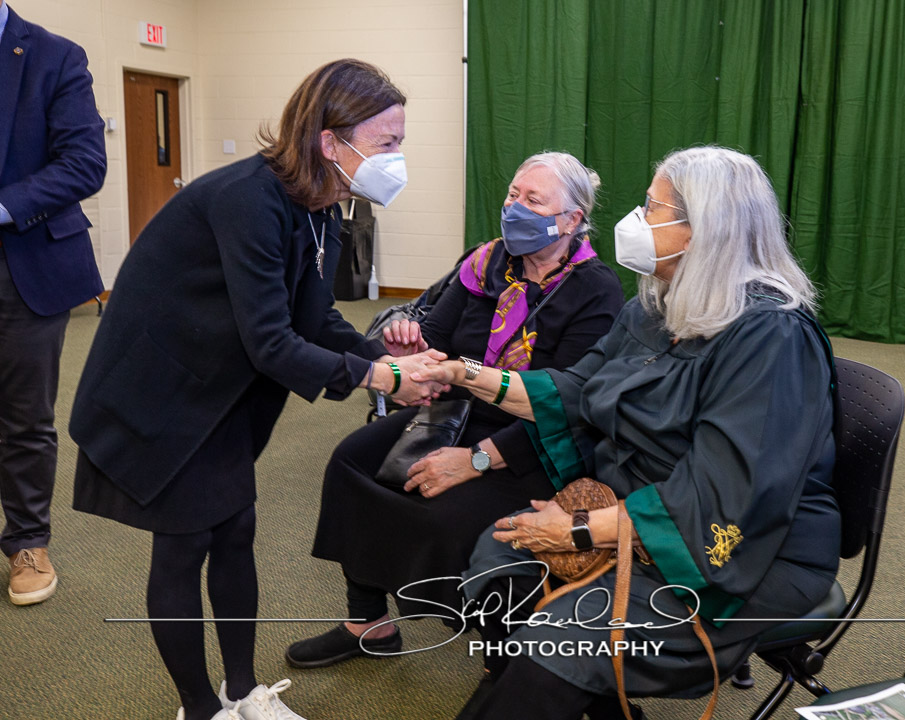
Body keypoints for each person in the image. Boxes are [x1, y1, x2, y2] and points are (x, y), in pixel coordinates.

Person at [69, 59, 444, 720]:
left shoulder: (320, 202)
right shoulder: (250, 198)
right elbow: (271, 342)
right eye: (387, 142)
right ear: (331, 141)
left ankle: (241, 695)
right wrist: (381, 376)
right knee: (184, 546)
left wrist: (380, 356)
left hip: (218, 388)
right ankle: (200, 709)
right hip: (159, 394)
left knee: (236, 529)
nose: (397, 157)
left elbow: (314, 315)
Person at [414, 146, 842, 720]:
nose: (636, 221)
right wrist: (465, 374)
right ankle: (587, 704)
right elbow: (576, 390)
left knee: (562, 640)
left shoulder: (770, 339)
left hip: (742, 550)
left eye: (651, 207)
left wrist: (581, 530)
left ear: (703, 229)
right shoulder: (658, 307)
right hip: (638, 508)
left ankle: (544, 689)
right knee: (499, 556)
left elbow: (722, 497)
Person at [285, 152, 625, 668]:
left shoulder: (596, 290)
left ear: (572, 220)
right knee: (353, 461)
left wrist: (476, 460)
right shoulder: (487, 260)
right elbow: (437, 340)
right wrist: (407, 351)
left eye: (533, 201)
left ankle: (503, 662)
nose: (515, 208)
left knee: (451, 518)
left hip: (535, 439)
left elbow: (568, 406)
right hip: (457, 413)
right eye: (514, 194)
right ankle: (368, 624)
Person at [0, 1, 107, 606]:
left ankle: (27, 542)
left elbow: (84, 163)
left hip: (23, 259)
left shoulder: (54, 56)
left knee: (23, 418)